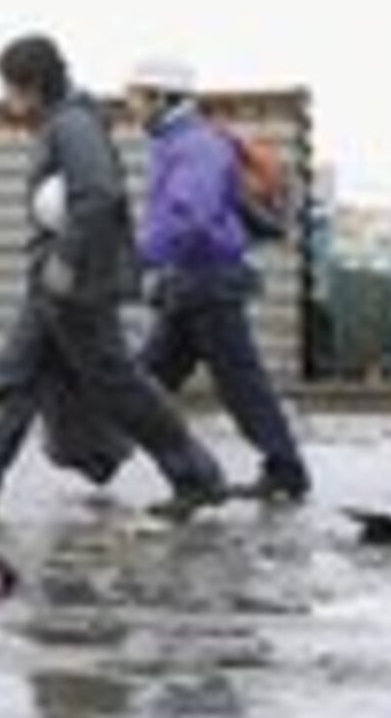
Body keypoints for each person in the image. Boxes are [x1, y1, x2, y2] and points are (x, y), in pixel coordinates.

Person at [0, 33, 231, 521]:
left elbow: (99, 195)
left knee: (120, 385)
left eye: (10, 90)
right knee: (13, 379)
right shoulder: (62, 124)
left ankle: (197, 476)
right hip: (53, 282)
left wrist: (66, 261)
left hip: (76, 285)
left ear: (33, 87)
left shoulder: (73, 126)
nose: (7, 101)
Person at [123, 55, 311, 502]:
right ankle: (103, 456)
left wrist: (137, 260)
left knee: (239, 386)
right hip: (191, 283)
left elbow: (191, 217)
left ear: (163, 97)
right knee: (148, 378)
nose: (131, 106)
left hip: (209, 282)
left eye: (136, 97)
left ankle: (282, 472)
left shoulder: (195, 146)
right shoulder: (179, 142)